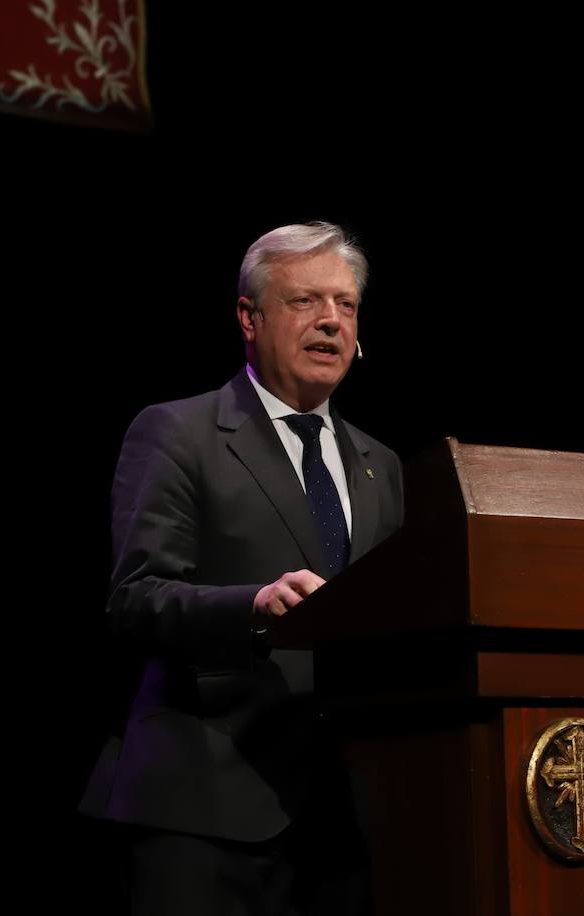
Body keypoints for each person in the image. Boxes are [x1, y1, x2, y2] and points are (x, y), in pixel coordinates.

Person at [78, 221, 403, 914]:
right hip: (205, 809)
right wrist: (252, 607)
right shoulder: (178, 433)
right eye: (305, 301)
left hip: (342, 823)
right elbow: (135, 599)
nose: (331, 321)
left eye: (346, 305)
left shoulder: (383, 465)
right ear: (249, 318)